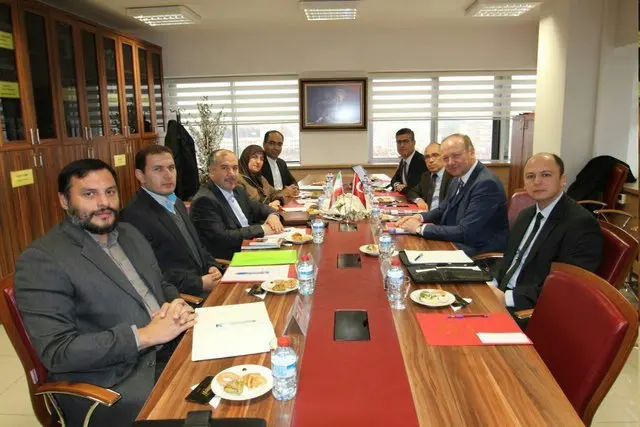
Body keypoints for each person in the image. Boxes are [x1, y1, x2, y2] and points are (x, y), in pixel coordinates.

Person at [14, 159, 196, 427]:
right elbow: (57, 351)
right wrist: (144, 336)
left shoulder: (129, 233)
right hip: (118, 382)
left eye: (110, 192)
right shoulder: (42, 260)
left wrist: (176, 302)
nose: (104, 202)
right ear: (64, 201)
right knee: (215, 414)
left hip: (173, 347)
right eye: (89, 194)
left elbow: (160, 284)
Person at [489, 153, 602, 315]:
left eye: (546, 175)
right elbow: (509, 258)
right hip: (500, 294)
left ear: (562, 180)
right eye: (530, 176)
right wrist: (490, 282)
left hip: (529, 310)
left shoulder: (580, 224)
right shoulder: (526, 215)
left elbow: (568, 287)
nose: (537, 181)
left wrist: (507, 298)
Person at [121, 145, 225, 297]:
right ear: (140, 175)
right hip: (185, 298)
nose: (168, 175)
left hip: (208, 283)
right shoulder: (133, 215)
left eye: (171, 168)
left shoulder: (176, 202)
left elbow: (197, 246)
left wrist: (211, 266)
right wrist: (199, 283)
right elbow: (151, 272)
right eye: (158, 169)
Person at [397, 133, 509, 256]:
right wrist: (419, 217)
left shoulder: (486, 184)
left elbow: (466, 231)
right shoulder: (458, 177)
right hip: (456, 239)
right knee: (404, 246)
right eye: (445, 158)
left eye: (456, 156)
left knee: (413, 253)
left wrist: (420, 228)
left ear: (471, 152)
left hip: (477, 248)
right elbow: (442, 209)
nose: (450, 162)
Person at [191, 149, 285, 260]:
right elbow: (223, 238)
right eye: (225, 168)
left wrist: (273, 215)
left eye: (235, 168)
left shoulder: (238, 191)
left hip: (253, 246)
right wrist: (262, 229)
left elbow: (259, 208)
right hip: (232, 258)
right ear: (211, 171)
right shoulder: (204, 200)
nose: (231, 173)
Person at [238, 144, 292, 209]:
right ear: (246, 158)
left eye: (261, 159)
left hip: (268, 213)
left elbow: (274, 193)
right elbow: (246, 206)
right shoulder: (238, 180)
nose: (258, 162)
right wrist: (267, 207)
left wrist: (278, 200)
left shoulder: (261, 179)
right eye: (254, 157)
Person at [406, 142, 453, 210]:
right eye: (427, 157)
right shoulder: (426, 176)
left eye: (435, 155)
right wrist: (419, 200)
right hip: (426, 213)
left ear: (444, 157)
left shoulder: (452, 176)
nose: (430, 160)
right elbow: (412, 192)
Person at [390, 128, 428, 194]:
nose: (402, 145)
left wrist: (400, 188)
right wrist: (397, 185)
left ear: (414, 143)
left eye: (406, 141)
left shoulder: (421, 161)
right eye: (399, 142)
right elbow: (394, 179)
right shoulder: (404, 160)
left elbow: (413, 188)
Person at [261, 130, 298, 194]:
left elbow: (292, 182)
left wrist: (294, 187)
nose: (276, 148)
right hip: (270, 199)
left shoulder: (282, 163)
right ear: (264, 144)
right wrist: (282, 192)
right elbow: (262, 192)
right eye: (272, 143)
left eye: (279, 144)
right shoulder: (259, 163)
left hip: (285, 198)